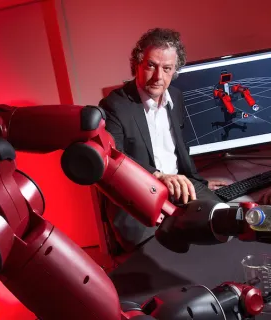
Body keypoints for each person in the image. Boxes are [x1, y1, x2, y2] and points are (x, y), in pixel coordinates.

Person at [98, 28, 228, 251]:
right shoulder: (114, 106)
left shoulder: (175, 96)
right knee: (159, 255)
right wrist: (158, 177)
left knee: (224, 223)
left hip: (180, 188)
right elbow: (113, 159)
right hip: (138, 197)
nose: (159, 77)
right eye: (151, 66)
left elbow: (178, 150)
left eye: (167, 69)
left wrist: (199, 182)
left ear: (174, 70)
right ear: (137, 64)